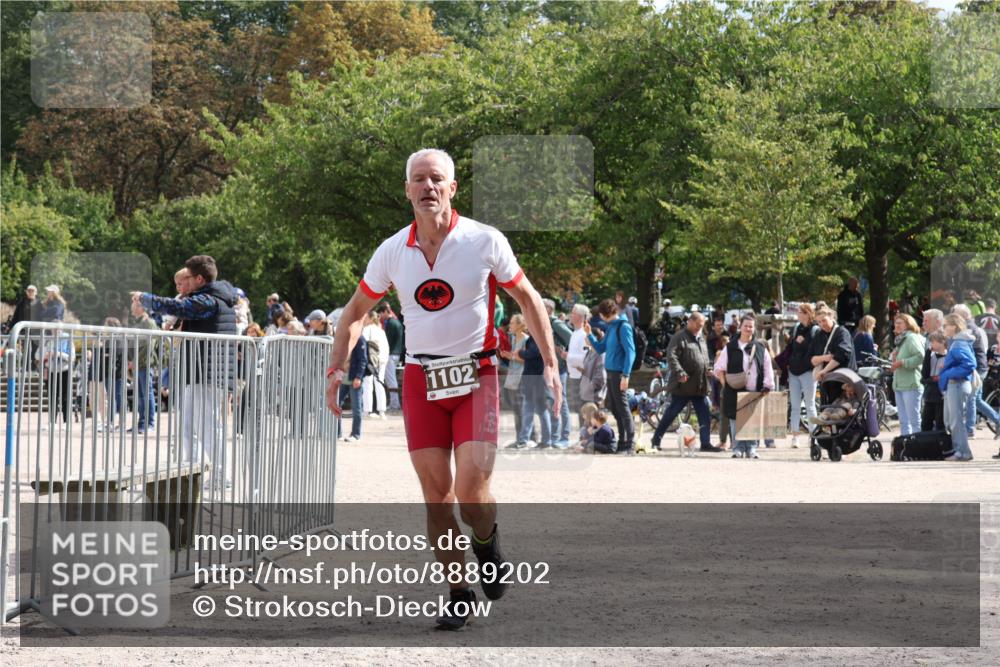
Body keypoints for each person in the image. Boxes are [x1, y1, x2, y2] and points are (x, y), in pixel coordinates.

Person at [325, 148, 560, 630]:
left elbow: (528, 298)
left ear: (452, 188)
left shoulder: (483, 240)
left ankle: (487, 540)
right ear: (407, 190)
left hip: (477, 375)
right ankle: (458, 592)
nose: (427, 187)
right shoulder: (392, 250)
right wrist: (335, 368)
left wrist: (551, 363)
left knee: (472, 493)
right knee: (437, 496)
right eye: (419, 179)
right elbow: (354, 313)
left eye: (437, 179)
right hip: (421, 378)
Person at [132, 255, 237, 475]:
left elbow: (178, 307)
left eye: (187, 277)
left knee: (208, 424)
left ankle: (221, 474)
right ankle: (192, 472)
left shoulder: (208, 300)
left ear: (199, 279)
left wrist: (146, 298)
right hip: (198, 370)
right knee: (188, 424)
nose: (183, 282)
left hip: (207, 371)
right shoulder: (209, 298)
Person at [648, 311, 721, 452]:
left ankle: (705, 443)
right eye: (698, 325)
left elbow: (705, 357)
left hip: (699, 385)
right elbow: (672, 357)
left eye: (702, 326)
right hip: (683, 385)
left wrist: (709, 368)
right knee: (671, 413)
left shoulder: (701, 338)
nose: (700, 328)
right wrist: (680, 372)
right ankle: (656, 439)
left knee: (704, 414)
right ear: (690, 322)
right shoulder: (679, 337)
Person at [714, 314, 774, 459]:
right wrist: (725, 384)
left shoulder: (760, 348)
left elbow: (767, 368)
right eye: (746, 325)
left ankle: (752, 448)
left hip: (754, 389)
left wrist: (767, 385)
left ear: (754, 329)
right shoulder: (730, 347)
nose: (748, 328)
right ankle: (738, 448)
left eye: (751, 326)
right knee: (735, 420)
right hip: (733, 390)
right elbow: (719, 368)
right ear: (740, 327)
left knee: (752, 419)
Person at [583, 298, 636, 454]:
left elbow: (630, 352)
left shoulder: (623, 327)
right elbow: (600, 348)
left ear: (604, 314)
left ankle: (629, 443)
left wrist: (626, 375)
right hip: (611, 373)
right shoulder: (611, 327)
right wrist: (589, 335)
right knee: (615, 407)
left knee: (623, 408)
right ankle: (622, 441)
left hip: (619, 373)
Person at [952, 303, 1000, 437]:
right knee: (976, 400)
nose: (954, 316)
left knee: (971, 399)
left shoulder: (969, 329)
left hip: (977, 368)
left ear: (964, 316)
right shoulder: (970, 328)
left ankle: (970, 429)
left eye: (956, 314)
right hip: (979, 367)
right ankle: (997, 419)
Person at [939, 314, 977, 461]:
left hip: (957, 384)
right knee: (952, 420)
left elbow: (969, 364)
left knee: (955, 421)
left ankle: (963, 452)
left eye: (946, 325)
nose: (944, 329)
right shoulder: (958, 342)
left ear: (954, 326)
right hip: (956, 384)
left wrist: (949, 373)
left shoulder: (959, 343)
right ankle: (960, 451)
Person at [786, 303, 819, 448]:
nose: (797, 313)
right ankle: (795, 437)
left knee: (810, 404)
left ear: (807, 313)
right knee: (795, 405)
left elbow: (816, 349)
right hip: (793, 370)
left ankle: (814, 436)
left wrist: (804, 342)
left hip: (808, 371)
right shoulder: (796, 328)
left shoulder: (814, 329)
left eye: (800, 312)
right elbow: (791, 348)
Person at [543, 298, 573, 448]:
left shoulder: (556, 323)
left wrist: (559, 350)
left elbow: (572, 339)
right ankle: (555, 438)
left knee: (562, 401)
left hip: (559, 368)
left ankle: (565, 437)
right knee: (552, 401)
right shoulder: (545, 323)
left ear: (548, 309)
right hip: (549, 368)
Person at [890, 314, 925, 436]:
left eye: (900, 322)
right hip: (899, 384)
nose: (897, 325)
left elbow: (921, 357)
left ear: (908, 324)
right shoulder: (901, 340)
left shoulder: (911, 338)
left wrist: (902, 362)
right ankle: (906, 447)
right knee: (904, 422)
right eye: (896, 323)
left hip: (911, 384)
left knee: (914, 421)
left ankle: (917, 447)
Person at [129, 298, 160, 433]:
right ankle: (141, 423)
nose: (132, 307)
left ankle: (149, 423)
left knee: (146, 393)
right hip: (138, 363)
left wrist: (135, 360)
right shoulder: (139, 323)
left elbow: (149, 346)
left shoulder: (149, 323)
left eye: (134, 305)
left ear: (142, 308)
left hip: (145, 363)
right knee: (140, 394)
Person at [810, 307, 857, 387]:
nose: (821, 324)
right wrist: (824, 358)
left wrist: (824, 371)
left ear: (831, 317)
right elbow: (811, 358)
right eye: (819, 322)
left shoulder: (842, 333)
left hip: (843, 381)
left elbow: (841, 355)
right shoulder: (819, 335)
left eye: (824, 320)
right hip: (826, 382)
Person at [565, 303, 589, 435]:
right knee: (578, 408)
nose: (570, 315)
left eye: (573, 312)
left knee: (583, 409)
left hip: (581, 376)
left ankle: (585, 438)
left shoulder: (584, 334)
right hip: (574, 375)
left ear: (580, 316)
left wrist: (567, 356)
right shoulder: (575, 333)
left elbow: (585, 358)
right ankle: (583, 437)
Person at [360, 309, 390, 417]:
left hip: (371, 359)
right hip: (381, 359)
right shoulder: (381, 330)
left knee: (367, 383)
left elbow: (363, 345)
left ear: (369, 318)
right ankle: (381, 411)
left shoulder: (367, 329)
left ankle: (367, 410)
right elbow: (386, 348)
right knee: (379, 383)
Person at [337, 334, 367, 442]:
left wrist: (358, 377)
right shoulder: (342, 337)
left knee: (356, 406)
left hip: (353, 377)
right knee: (337, 405)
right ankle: (337, 433)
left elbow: (363, 360)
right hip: (342, 377)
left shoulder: (359, 338)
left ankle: (355, 434)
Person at [376, 302, 404, 410]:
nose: (380, 317)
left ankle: (394, 403)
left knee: (391, 379)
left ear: (384, 312)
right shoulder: (396, 322)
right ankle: (394, 403)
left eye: (380, 314)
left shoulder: (391, 324)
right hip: (396, 353)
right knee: (391, 379)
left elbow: (387, 341)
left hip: (391, 354)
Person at [921, 331, 948, 432]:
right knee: (925, 423)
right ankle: (925, 443)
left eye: (933, 342)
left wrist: (931, 379)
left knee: (940, 422)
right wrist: (927, 354)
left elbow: (942, 377)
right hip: (929, 394)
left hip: (940, 394)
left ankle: (940, 444)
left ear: (942, 342)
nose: (931, 344)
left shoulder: (948, 357)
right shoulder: (931, 357)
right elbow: (925, 374)